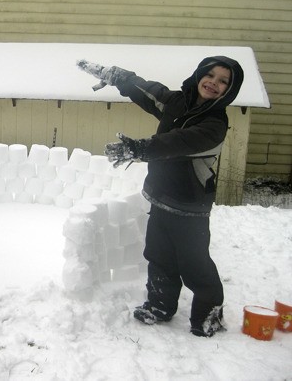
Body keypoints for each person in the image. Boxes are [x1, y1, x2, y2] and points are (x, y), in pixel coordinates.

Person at [77, 56, 244, 337]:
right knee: (159, 255)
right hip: (160, 195)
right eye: (211, 75)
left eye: (223, 81)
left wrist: (139, 149)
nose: (214, 83)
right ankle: (160, 306)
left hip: (190, 205)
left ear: (229, 90)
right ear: (200, 74)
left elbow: (177, 142)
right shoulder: (177, 102)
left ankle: (209, 315)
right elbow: (147, 91)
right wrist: (118, 76)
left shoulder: (215, 124)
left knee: (195, 264)